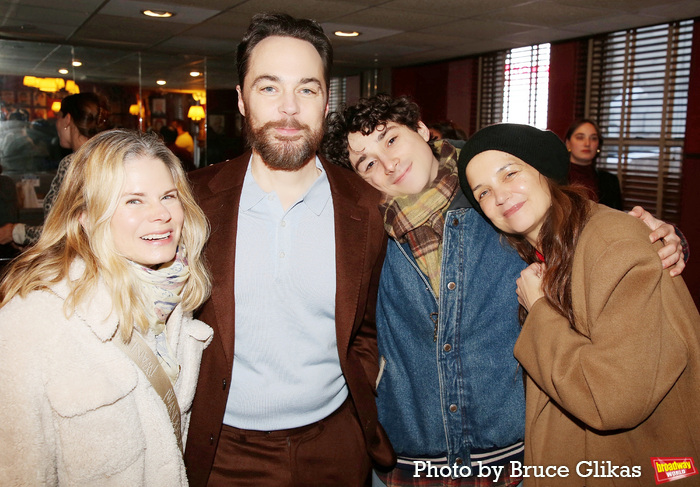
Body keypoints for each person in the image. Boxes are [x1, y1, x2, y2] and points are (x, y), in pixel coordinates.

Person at [321, 94, 688, 487]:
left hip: (512, 452)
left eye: (390, 140)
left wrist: (661, 236)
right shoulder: (361, 234)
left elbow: (579, 233)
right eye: (368, 162)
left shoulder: (499, 201)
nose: (388, 163)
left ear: (422, 130)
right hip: (411, 455)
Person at [183, 13, 395, 487]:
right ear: (241, 99)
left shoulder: (366, 206)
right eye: (269, 87)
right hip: (222, 452)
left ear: (325, 100)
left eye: (307, 88)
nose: (288, 109)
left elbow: (366, 326)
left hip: (337, 446)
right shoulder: (190, 201)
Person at [458, 123, 700, 486]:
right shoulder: (543, 251)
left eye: (510, 173)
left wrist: (539, 310)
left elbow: (612, 398)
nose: (501, 196)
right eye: (484, 193)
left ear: (543, 170)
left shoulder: (610, 241)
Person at [0, 129, 213, 485]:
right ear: (84, 215)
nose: (160, 214)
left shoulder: (173, 298)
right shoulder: (31, 321)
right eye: (133, 201)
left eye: (168, 196)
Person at [0, 92, 110, 247]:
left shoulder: (73, 164)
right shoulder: (109, 159)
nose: (56, 124)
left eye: (58, 117)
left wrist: (14, 232)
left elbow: (59, 233)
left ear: (67, 119)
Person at [564, 118, 622, 209]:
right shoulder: (555, 178)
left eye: (593, 138)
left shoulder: (610, 181)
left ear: (598, 145)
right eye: (580, 137)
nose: (587, 143)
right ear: (568, 144)